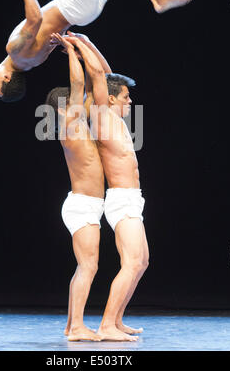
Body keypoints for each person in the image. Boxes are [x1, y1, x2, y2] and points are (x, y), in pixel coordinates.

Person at [0, 0, 195, 102]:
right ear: (7, 78)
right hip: (73, 5)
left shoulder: (31, 63)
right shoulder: (14, 51)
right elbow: (36, 19)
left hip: (79, 12)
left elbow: (51, 27)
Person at [63, 34, 148, 341]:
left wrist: (86, 45)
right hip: (120, 200)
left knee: (141, 262)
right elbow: (100, 76)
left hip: (131, 199)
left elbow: (107, 75)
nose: (130, 101)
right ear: (111, 99)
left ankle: (117, 320)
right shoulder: (101, 116)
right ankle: (107, 324)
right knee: (134, 261)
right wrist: (81, 40)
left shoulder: (114, 117)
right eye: (125, 97)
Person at [45, 32, 111, 342]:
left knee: (83, 266)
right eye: (73, 102)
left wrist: (81, 52)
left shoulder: (76, 124)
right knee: (89, 265)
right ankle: (77, 327)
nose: (80, 103)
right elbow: (78, 86)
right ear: (62, 109)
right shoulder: (68, 125)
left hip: (84, 203)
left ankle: (73, 325)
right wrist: (72, 50)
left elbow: (95, 82)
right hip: (83, 204)